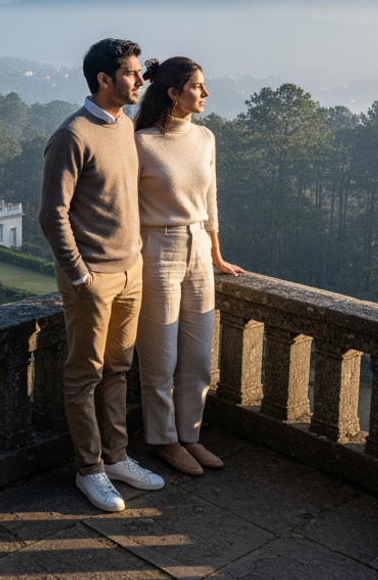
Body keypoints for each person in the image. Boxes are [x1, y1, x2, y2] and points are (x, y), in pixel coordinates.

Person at [39, 38, 165, 512]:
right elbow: (51, 215)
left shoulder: (125, 125)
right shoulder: (72, 136)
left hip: (131, 273)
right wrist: (80, 277)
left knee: (117, 370)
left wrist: (135, 262)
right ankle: (88, 470)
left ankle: (115, 457)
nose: (139, 80)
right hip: (93, 280)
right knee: (84, 375)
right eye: (132, 73)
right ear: (104, 80)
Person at [133, 56, 244, 476]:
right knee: (160, 356)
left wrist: (215, 253)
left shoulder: (205, 138)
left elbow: (210, 198)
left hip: (197, 246)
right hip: (155, 248)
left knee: (197, 355)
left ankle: (190, 435)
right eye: (198, 86)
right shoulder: (140, 142)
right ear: (173, 92)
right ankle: (164, 440)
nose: (206, 92)